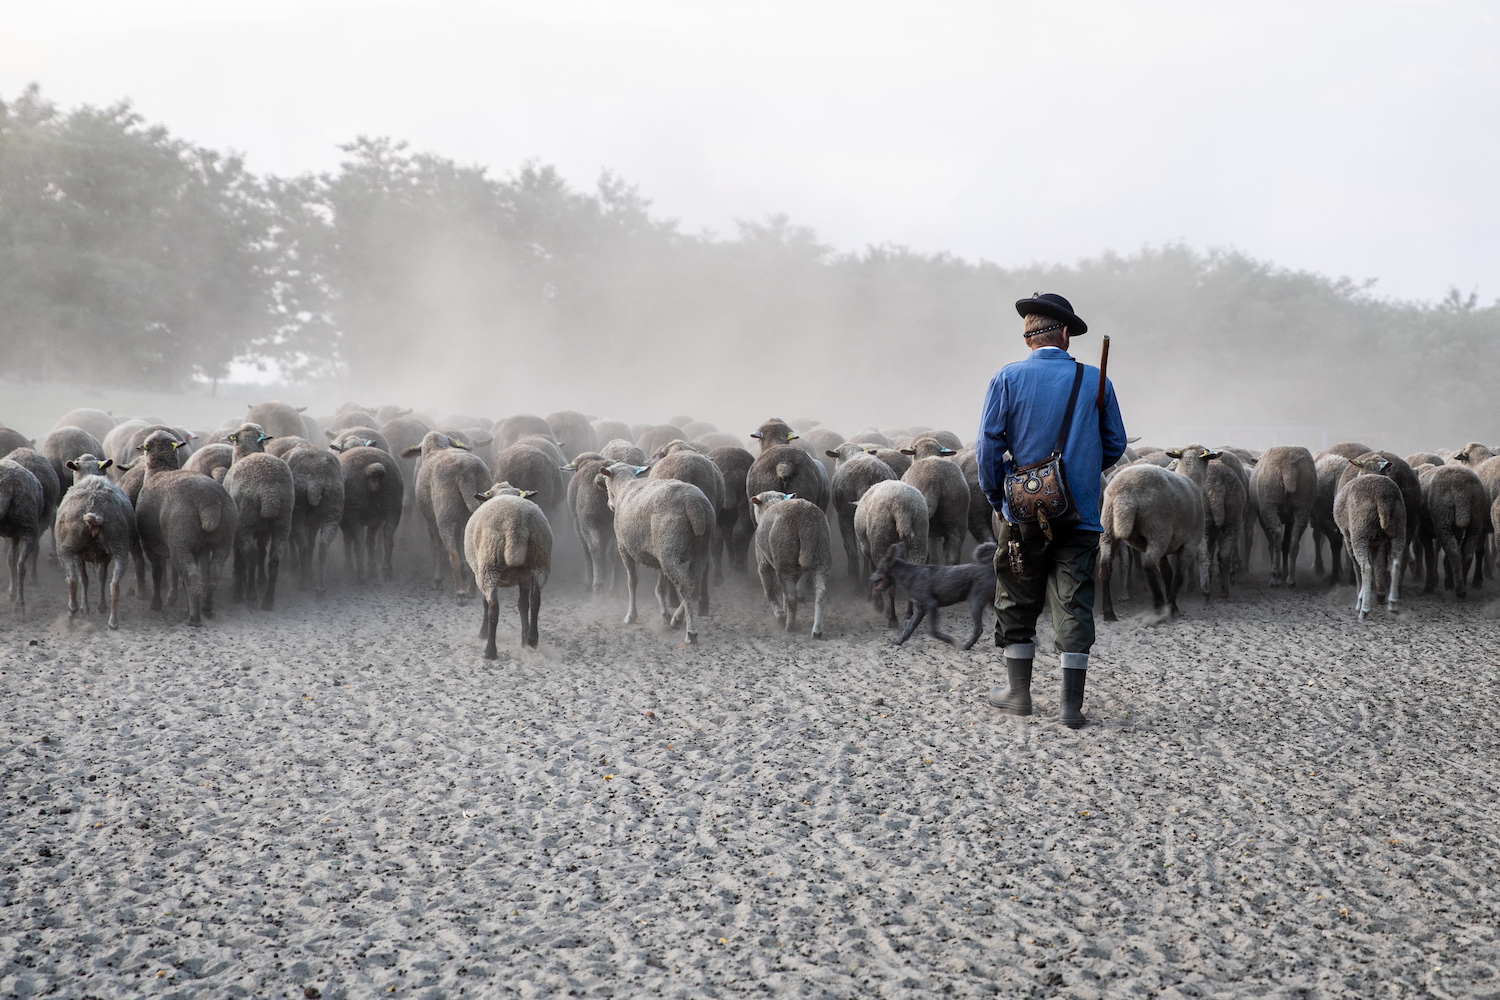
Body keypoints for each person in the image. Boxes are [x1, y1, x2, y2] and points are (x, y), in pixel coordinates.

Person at [975, 293, 1127, 729]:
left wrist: (997, 498)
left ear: (1028, 337)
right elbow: (1115, 443)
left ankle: (1018, 695)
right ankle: (1070, 706)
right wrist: (1074, 472)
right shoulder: (1096, 380)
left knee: (1017, 595)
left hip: (1021, 512)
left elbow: (989, 445)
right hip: (1078, 514)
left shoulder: (1007, 378)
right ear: (1064, 334)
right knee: (1074, 599)